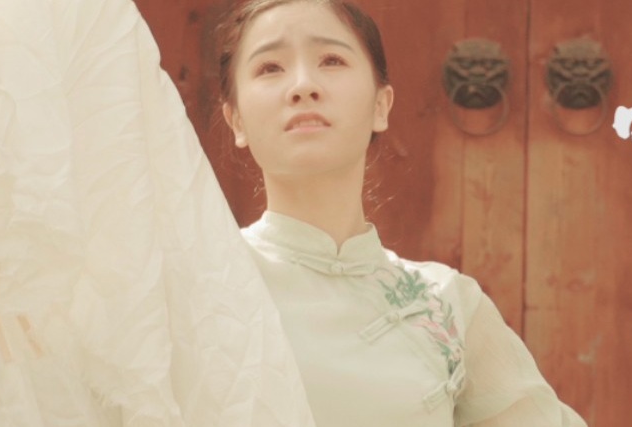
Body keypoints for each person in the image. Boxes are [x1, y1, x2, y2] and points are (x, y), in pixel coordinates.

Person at [217, 1, 588, 426]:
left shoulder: (446, 304)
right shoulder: (206, 281)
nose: (303, 86)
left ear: (381, 105)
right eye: (270, 68)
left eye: (331, 60)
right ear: (236, 120)